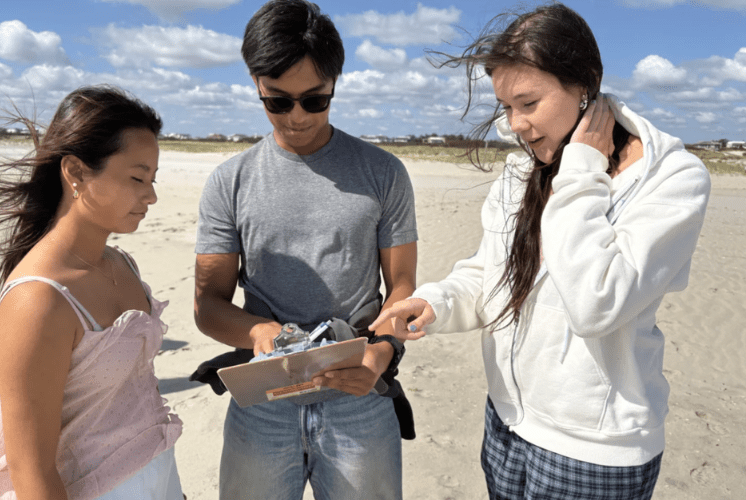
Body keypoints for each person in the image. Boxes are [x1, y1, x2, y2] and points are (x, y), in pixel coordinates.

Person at [369, 3, 711, 499]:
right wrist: (435, 303)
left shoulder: (672, 179)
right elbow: (490, 278)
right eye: (507, 107)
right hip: (506, 423)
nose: (516, 125)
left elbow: (596, 303)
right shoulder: (521, 171)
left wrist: (580, 168)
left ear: (584, 85)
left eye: (528, 103)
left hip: (595, 450)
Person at [192, 0, 417, 498]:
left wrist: (380, 353)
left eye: (314, 100)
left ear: (335, 83)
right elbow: (208, 306)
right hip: (263, 402)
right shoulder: (229, 182)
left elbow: (401, 286)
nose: (296, 116)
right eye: (278, 101)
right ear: (256, 83)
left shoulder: (383, 173)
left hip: (359, 394)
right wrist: (259, 331)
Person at [0, 85, 183, 500]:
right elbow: (31, 471)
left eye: (153, 178)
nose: (151, 195)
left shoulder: (122, 265)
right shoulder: (38, 300)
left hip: (160, 477)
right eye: (136, 178)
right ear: (75, 172)